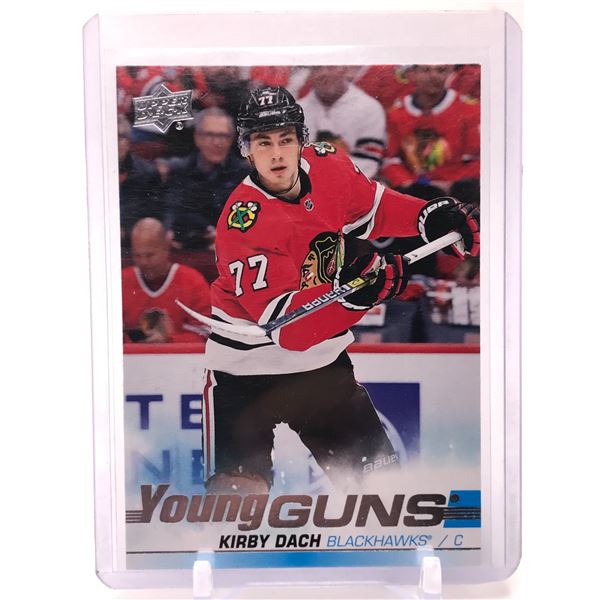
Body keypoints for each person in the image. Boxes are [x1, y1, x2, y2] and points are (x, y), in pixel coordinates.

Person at [202, 86, 479, 494]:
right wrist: (354, 297)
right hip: (244, 374)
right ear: (246, 150)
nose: (277, 154)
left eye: (285, 140)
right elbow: (287, 328)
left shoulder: (328, 165)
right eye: (263, 143)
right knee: (235, 505)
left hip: (322, 365)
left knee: (382, 495)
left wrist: (426, 219)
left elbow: (372, 209)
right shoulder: (243, 222)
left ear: (302, 140)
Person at [381, 64, 480, 192]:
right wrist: (408, 183)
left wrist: (452, 185)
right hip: (411, 189)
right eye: (425, 70)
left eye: (441, 70)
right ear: (412, 74)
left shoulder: (469, 110)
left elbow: (476, 161)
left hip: (455, 191)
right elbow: (390, 160)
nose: (434, 76)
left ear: (450, 73)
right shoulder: (396, 113)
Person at [163, 108, 250, 250]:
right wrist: (169, 232)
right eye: (210, 135)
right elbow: (172, 210)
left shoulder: (245, 174)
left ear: (232, 140)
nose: (216, 143)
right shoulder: (180, 169)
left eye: (223, 136)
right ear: (197, 138)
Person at [122, 218, 211, 343]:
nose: (143, 262)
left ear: (166, 248)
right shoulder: (122, 281)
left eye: (149, 255)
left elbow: (206, 335)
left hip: (179, 356)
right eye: (137, 255)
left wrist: (170, 340)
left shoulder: (193, 282)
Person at [298, 66, 386, 179]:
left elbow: (368, 164)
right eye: (317, 68)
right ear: (310, 73)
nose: (324, 73)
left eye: (331, 67)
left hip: (354, 184)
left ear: (345, 70)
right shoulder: (296, 110)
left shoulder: (369, 108)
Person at [118, 115, 163, 249]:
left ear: (128, 141)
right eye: (109, 138)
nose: (114, 143)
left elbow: (153, 216)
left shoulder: (148, 173)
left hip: (135, 243)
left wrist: (125, 231)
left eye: (120, 137)